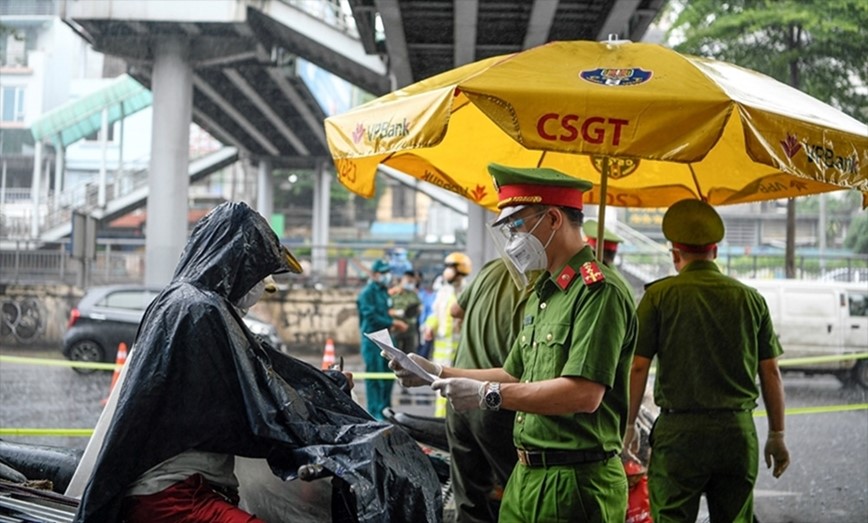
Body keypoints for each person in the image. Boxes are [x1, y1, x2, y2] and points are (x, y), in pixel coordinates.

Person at [74, 202, 440, 522]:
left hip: (193, 489)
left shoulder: (195, 305)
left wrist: (322, 387)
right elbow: (258, 399)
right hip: (172, 495)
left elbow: (261, 373)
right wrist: (324, 412)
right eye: (260, 271)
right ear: (236, 261)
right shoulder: (198, 310)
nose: (264, 284)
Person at [386, 163, 638, 522]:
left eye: (517, 226)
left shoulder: (599, 292)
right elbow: (513, 372)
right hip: (526, 474)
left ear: (552, 219)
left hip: (575, 483)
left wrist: (488, 394)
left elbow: (584, 394)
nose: (513, 240)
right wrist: (435, 371)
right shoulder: (544, 291)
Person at [626, 199, 790, 523]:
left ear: (675, 254)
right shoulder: (750, 299)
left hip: (679, 435)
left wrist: (629, 424)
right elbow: (770, 370)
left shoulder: (658, 297)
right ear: (715, 251)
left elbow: (638, 366)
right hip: (736, 433)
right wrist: (777, 435)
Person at [446, 258, 531, 522]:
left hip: (459, 404)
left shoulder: (494, 267)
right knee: (524, 497)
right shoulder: (545, 282)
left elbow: (455, 310)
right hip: (499, 405)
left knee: (471, 505)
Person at [357, 259, 408, 420]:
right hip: (372, 340)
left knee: (388, 375)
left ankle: (386, 410)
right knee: (375, 377)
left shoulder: (383, 291)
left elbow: (384, 311)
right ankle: (375, 413)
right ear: (375, 274)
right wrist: (393, 322)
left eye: (388, 272)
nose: (386, 276)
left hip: (386, 339)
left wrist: (393, 318)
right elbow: (370, 317)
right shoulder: (367, 293)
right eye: (383, 273)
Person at [424, 251, 472, 417]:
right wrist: (429, 327)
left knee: (459, 391)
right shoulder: (443, 292)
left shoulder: (468, 291)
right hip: (441, 353)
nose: (447, 271)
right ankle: (440, 424)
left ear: (460, 270)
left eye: (451, 267)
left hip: (461, 353)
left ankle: (454, 426)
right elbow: (435, 314)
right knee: (440, 390)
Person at [389, 270, 422, 354]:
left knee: (410, 355)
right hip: (397, 328)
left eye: (412, 282)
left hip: (410, 329)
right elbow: (385, 310)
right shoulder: (393, 293)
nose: (410, 284)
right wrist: (397, 312)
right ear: (403, 279)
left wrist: (418, 310)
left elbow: (418, 306)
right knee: (395, 355)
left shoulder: (413, 294)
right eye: (409, 281)